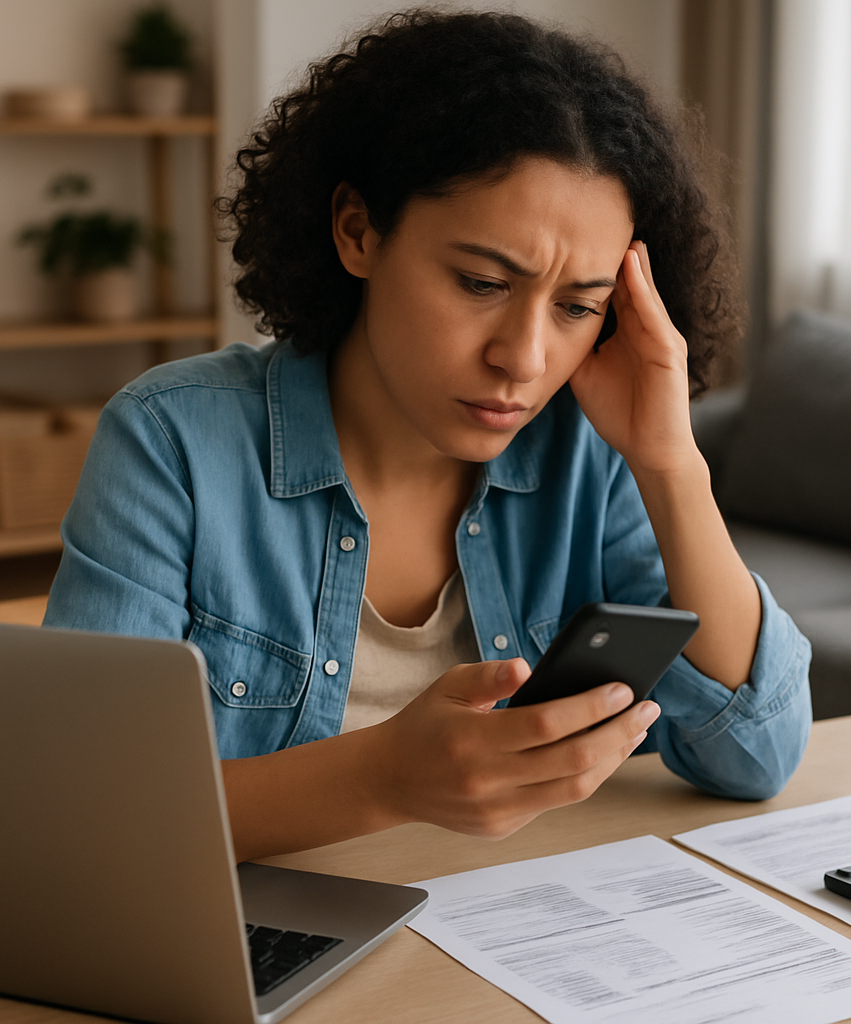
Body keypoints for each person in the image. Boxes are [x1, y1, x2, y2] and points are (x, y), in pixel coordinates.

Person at [44, 9, 812, 862]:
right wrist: (383, 780)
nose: (523, 358)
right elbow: (82, 815)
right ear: (358, 231)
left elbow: (757, 756)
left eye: (577, 307)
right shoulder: (171, 442)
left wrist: (673, 466)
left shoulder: (589, 455)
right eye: (482, 281)